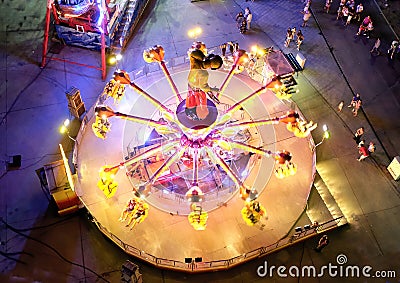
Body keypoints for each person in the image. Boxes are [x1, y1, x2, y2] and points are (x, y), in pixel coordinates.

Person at [186, 42, 223, 120]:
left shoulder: (196, 61)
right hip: (198, 90)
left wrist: (204, 57)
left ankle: (192, 111)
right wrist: (212, 89)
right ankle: (201, 116)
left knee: (190, 98)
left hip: (190, 83)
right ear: (212, 67)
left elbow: (193, 53)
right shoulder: (204, 74)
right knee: (201, 101)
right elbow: (204, 87)